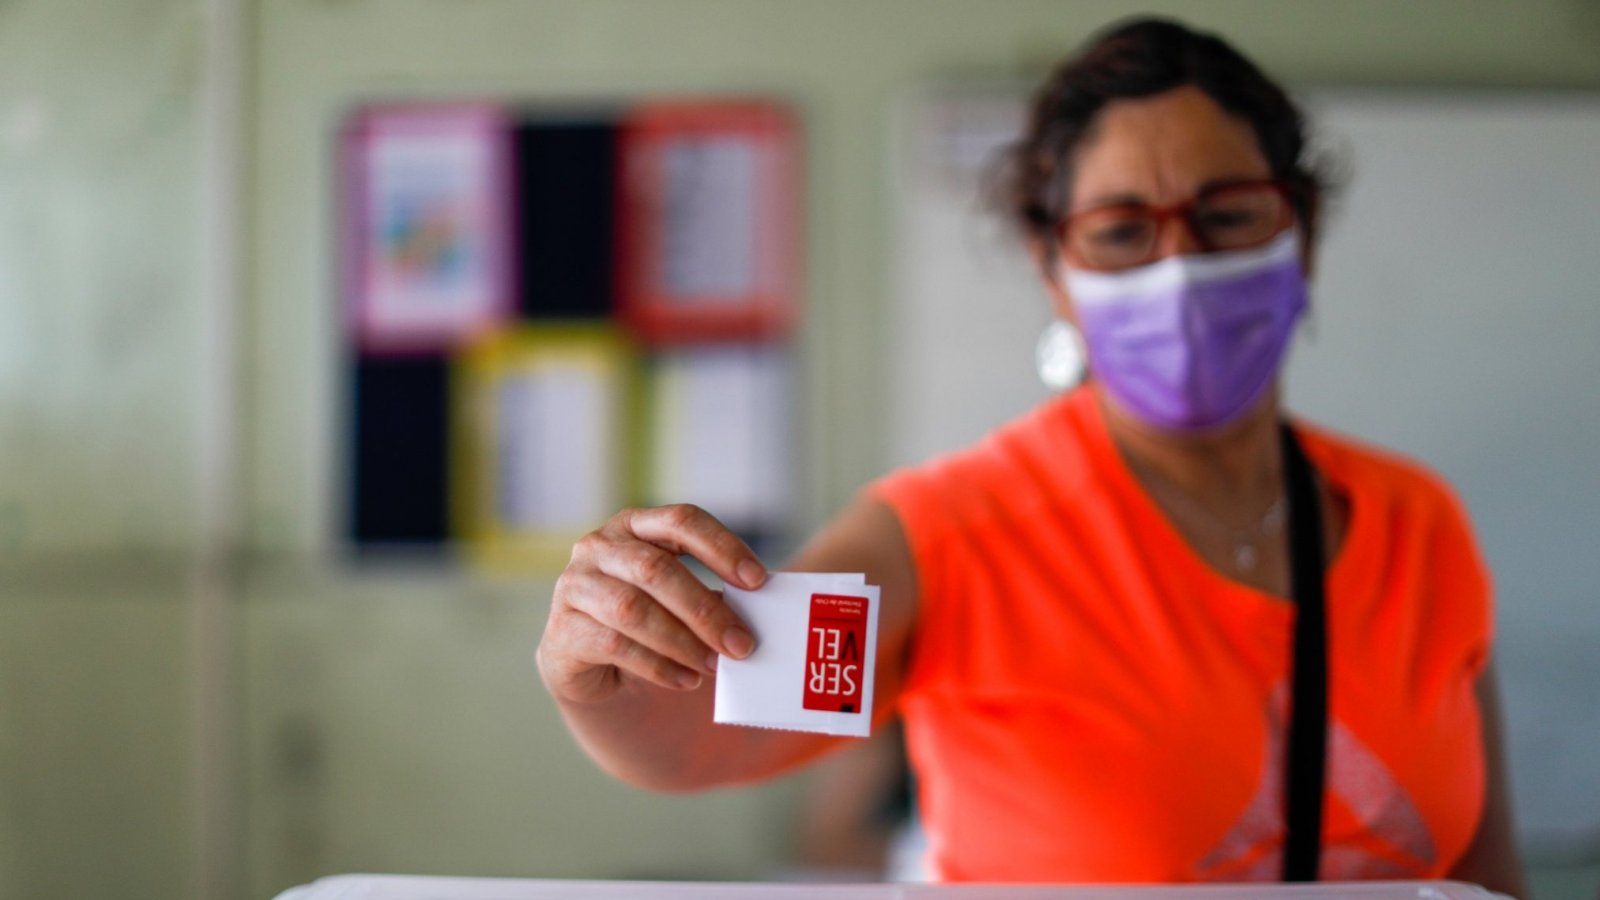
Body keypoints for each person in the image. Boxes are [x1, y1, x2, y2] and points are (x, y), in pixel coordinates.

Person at [536, 17, 1526, 895]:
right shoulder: (948, 534)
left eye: (1227, 217)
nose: (1178, 271)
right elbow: (714, 734)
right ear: (1050, 267)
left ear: (1300, 235)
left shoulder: (1416, 523)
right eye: (1121, 231)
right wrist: (603, 673)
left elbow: (1484, 873)